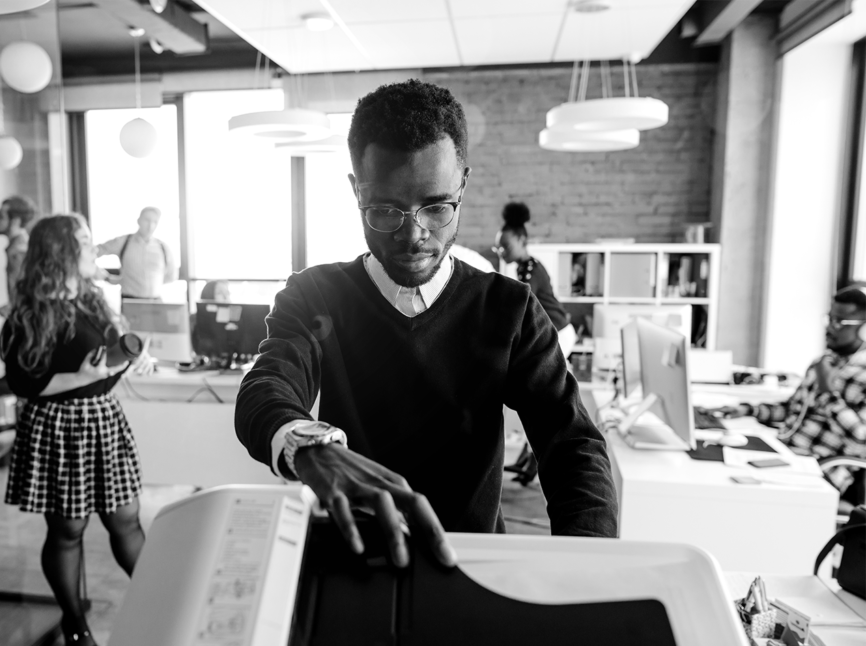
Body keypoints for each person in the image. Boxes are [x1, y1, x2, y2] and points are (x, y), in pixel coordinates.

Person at [235, 79, 618, 570]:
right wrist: (310, 449)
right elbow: (266, 387)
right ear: (356, 190)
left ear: (463, 184)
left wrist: (592, 572)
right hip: (355, 564)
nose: (414, 235)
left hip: (476, 566)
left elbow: (573, 446)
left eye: (437, 207)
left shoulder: (509, 309)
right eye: (385, 210)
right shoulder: (314, 295)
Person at [1, 214, 155, 646]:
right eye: (86, 242)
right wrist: (79, 377)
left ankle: (158, 597)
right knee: (68, 528)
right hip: (57, 426)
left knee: (126, 519)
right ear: (60, 252)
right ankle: (74, 620)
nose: (95, 249)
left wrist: (135, 355)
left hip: (102, 419)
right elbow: (23, 384)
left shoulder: (93, 299)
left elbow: (113, 347)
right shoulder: (27, 313)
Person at [722, 284, 866, 505]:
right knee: (722, 464)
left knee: (737, 495)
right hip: (786, 453)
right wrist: (747, 409)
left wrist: (828, 391)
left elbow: (861, 436)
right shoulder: (824, 362)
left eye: (841, 322)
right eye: (830, 318)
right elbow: (794, 410)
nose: (831, 327)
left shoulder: (861, 374)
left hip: (822, 469)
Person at [494, 202, 577, 485]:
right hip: (557, 330)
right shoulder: (525, 266)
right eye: (499, 248)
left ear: (520, 240)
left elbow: (522, 307)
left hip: (560, 332)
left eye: (505, 246)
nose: (502, 252)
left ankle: (536, 457)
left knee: (542, 389)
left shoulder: (528, 270)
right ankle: (529, 458)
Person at [0, 195, 37, 470]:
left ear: (16, 220)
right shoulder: (19, 247)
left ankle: (23, 452)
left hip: (25, 332)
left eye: (1, 214)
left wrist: (16, 308)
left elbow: (29, 293)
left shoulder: (20, 250)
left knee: (23, 390)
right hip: (22, 326)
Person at [97, 207, 176, 300]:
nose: (150, 225)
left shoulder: (163, 248)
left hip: (155, 302)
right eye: (147, 220)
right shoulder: (123, 242)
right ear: (139, 221)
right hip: (130, 300)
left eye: (155, 222)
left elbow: (171, 276)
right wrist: (103, 276)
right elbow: (95, 251)